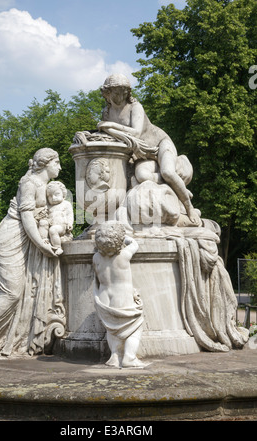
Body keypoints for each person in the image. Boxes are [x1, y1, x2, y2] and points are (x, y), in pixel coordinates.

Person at [0, 148, 65, 359]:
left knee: (22, 293)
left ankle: (10, 339)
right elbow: (27, 218)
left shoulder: (44, 185)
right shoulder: (29, 183)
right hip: (11, 238)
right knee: (12, 292)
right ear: (46, 163)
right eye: (57, 162)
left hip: (26, 241)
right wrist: (42, 245)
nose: (59, 167)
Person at [97, 73, 201, 226]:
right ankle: (175, 186)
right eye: (117, 92)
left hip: (159, 144)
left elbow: (136, 132)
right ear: (107, 93)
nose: (121, 95)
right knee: (141, 175)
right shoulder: (107, 113)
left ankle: (188, 206)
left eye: (124, 91)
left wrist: (110, 126)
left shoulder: (135, 107)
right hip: (142, 154)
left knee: (167, 172)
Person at [93, 222, 145, 368]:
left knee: (112, 328)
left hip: (104, 298)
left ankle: (115, 356)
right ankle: (129, 357)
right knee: (134, 327)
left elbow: (97, 278)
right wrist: (124, 237)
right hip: (121, 297)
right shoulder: (125, 254)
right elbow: (133, 242)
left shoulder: (96, 258)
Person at [38, 181, 74, 255]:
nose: (53, 198)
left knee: (53, 230)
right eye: (50, 196)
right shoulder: (48, 206)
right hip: (50, 224)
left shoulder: (66, 204)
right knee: (42, 222)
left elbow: (70, 215)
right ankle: (44, 239)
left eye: (56, 194)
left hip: (61, 226)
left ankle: (58, 247)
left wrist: (70, 223)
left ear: (63, 194)